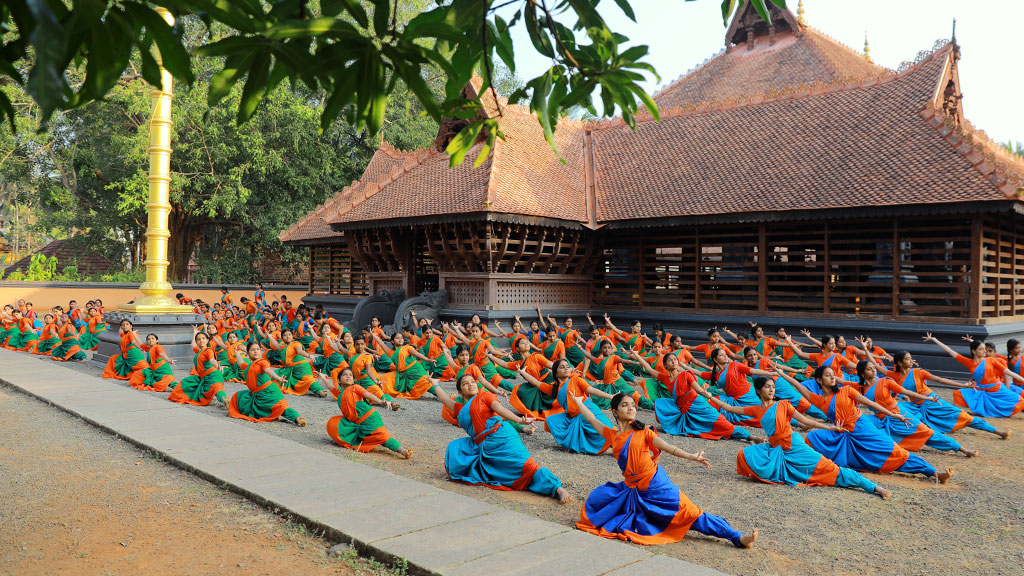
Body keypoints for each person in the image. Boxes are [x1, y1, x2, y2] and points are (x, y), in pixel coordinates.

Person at [573, 393, 758, 547]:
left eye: (633, 405)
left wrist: (692, 456)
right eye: (624, 405)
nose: (631, 408)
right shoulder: (613, 435)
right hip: (634, 490)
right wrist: (579, 402)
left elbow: (670, 448)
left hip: (656, 485)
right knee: (616, 507)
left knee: (690, 513)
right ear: (614, 411)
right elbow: (591, 418)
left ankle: (736, 536)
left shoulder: (644, 431)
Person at [712, 377, 890, 499]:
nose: (772, 389)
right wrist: (709, 396)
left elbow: (806, 421)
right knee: (743, 455)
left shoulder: (783, 404)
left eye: (773, 386)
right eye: (767, 387)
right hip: (776, 449)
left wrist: (830, 427)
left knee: (830, 469)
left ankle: (874, 487)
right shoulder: (756, 409)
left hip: (793, 445)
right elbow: (729, 408)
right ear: (758, 390)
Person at [784, 366, 953, 483]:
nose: (833, 377)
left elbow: (871, 404)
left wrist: (894, 415)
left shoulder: (846, 390)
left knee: (895, 451)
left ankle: (933, 472)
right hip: (843, 434)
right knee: (812, 437)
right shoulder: (819, 400)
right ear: (819, 380)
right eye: (828, 375)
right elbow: (797, 385)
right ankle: (807, 466)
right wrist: (779, 371)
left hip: (862, 427)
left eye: (833, 374)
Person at [440, 374, 572, 504]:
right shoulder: (460, 408)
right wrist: (433, 383)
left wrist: (519, 420)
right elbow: (444, 398)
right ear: (460, 392)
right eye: (465, 384)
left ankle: (557, 488)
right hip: (484, 446)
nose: (470, 384)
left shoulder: (485, 395)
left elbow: (500, 410)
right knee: (455, 448)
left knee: (527, 466)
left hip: (502, 436)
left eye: (472, 381)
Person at [855, 359, 977, 457]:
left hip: (900, 414)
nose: (874, 371)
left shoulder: (885, 381)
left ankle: (961, 449)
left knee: (927, 433)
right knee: (861, 425)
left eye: (874, 368)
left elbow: (906, 392)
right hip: (881, 420)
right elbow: (843, 386)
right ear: (862, 373)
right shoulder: (860, 389)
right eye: (869, 369)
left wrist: (927, 398)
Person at [883, 350, 1009, 439]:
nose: (911, 361)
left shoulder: (919, 372)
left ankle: (997, 431)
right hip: (917, 407)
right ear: (900, 363)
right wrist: (870, 352)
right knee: (905, 416)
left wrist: (963, 385)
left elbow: (941, 380)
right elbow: (877, 369)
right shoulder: (894, 376)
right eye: (908, 359)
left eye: (911, 358)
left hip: (933, 401)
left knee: (963, 416)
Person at [632, 351, 753, 441]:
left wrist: (708, 395)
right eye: (670, 360)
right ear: (665, 366)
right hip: (682, 408)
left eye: (675, 359)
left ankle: (748, 436)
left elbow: (698, 389)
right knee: (660, 403)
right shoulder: (665, 378)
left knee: (720, 421)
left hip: (697, 403)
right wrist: (636, 355)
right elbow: (648, 368)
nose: (674, 361)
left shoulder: (686, 374)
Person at [521, 359, 615, 454]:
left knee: (608, 431)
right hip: (573, 416)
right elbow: (536, 383)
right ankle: (570, 444)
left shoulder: (576, 380)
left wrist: (610, 396)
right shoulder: (555, 388)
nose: (566, 368)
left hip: (589, 410)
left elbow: (591, 390)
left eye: (567, 366)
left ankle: (618, 445)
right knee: (550, 421)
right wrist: (522, 372)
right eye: (562, 367)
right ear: (556, 373)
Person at [924, 333, 1024, 418]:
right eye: (981, 349)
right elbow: (950, 351)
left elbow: (1008, 372)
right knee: (958, 394)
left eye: (985, 349)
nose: (985, 351)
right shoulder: (969, 362)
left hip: (996, 389)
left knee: (1020, 401)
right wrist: (934, 340)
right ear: (974, 351)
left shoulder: (991, 360)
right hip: (981, 390)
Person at [326, 367, 412, 457]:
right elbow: (331, 387)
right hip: (359, 423)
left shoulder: (355, 387)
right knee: (376, 438)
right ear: (338, 381)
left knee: (382, 436)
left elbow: (367, 394)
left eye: (350, 375)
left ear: (353, 380)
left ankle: (403, 451)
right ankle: (402, 450)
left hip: (370, 418)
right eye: (345, 375)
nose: (348, 376)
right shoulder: (340, 395)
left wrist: (380, 402)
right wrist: (322, 377)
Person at [228, 341, 307, 426]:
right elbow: (240, 363)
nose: (255, 351)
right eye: (252, 350)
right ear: (248, 352)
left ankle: (297, 417)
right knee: (238, 396)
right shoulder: (249, 366)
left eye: (258, 349)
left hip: (268, 391)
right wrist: (238, 354)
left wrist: (278, 378)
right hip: (257, 394)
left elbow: (268, 370)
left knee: (279, 407)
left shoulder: (262, 362)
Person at [695, 348, 777, 425]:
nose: (725, 356)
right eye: (721, 355)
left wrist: (771, 373)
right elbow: (700, 374)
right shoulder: (716, 374)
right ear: (715, 360)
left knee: (764, 415)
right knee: (710, 404)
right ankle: (697, 419)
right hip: (732, 399)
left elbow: (753, 371)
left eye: (725, 354)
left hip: (748, 396)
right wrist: (686, 368)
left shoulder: (735, 365)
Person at [168, 331, 229, 407]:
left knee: (217, 389)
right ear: (196, 341)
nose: (201, 340)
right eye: (198, 339)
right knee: (186, 382)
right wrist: (195, 332)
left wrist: (217, 365)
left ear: (207, 340)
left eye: (203, 338)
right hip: (204, 377)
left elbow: (212, 359)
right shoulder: (199, 351)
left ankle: (227, 401)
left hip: (213, 375)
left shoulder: (208, 350)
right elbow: (193, 345)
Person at [267, 329, 328, 397]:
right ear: (282, 338)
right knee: (275, 374)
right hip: (290, 369)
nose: (288, 336)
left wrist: (309, 355)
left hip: (301, 367)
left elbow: (300, 351)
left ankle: (320, 391)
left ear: (292, 336)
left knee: (307, 380)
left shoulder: (296, 344)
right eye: (285, 335)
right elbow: (275, 344)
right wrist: (270, 336)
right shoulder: (283, 347)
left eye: (289, 334)